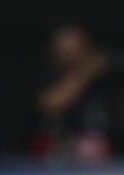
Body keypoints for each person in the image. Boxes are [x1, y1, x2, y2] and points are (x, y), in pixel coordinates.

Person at [30, 25, 112, 164]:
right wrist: (85, 73)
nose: (71, 53)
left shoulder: (101, 80)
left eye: (76, 48)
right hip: (54, 152)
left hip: (92, 154)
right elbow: (51, 103)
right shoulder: (47, 76)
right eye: (65, 49)